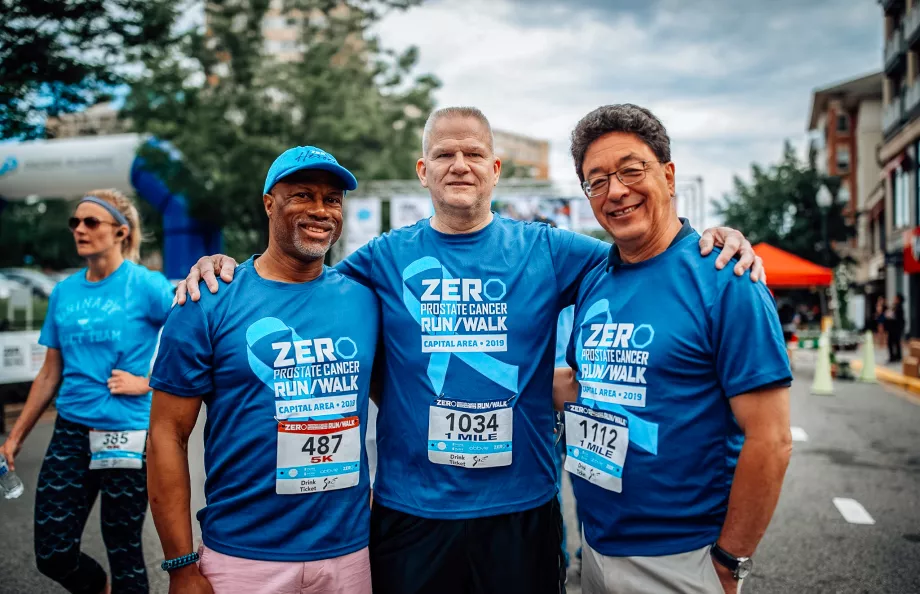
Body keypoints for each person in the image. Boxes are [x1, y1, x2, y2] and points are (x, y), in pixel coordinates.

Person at [176, 107, 764, 594]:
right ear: (423, 168)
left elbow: (646, 255)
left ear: (495, 168)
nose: (460, 165)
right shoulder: (382, 257)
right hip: (412, 513)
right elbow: (300, 281)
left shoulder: (550, 250)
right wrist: (224, 268)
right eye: (446, 154)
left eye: (474, 154)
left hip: (521, 510)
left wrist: (711, 238)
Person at [554, 104, 793, 594]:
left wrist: (730, 561)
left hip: (684, 559)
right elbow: (582, 386)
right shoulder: (595, 279)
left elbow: (771, 439)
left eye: (630, 170)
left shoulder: (726, 278)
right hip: (596, 548)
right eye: (596, 180)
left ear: (667, 174)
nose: (615, 190)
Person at [147, 146, 378, 594]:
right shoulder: (208, 298)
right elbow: (165, 435)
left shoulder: (365, 299)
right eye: (302, 195)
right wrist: (180, 565)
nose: (320, 210)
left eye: (332, 199)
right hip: (243, 559)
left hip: (350, 554)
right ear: (269, 203)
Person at [0, 190, 174, 594]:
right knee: (53, 552)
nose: (79, 229)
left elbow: (194, 339)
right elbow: (49, 373)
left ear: (120, 232)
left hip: (126, 431)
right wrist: (16, 437)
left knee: (125, 549)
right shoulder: (64, 292)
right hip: (71, 429)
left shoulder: (146, 285)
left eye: (91, 222)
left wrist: (150, 381)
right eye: (75, 222)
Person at [887, 293, 905, 363]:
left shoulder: (898, 307)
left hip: (895, 328)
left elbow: (892, 315)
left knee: (892, 342)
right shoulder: (897, 306)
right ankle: (897, 356)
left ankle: (894, 357)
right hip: (896, 328)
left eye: (895, 298)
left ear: (898, 299)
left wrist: (889, 315)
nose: (894, 299)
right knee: (896, 342)